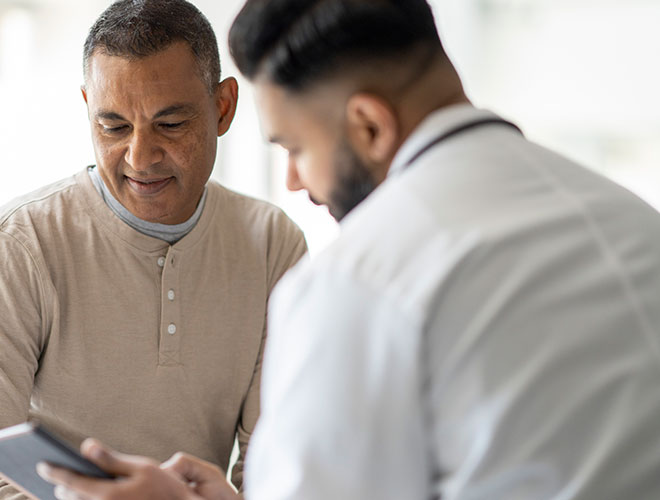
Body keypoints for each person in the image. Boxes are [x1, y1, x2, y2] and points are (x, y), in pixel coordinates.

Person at [36, 0, 660, 498]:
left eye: (295, 149)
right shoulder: (632, 220)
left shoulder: (358, 280)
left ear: (369, 126)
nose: (294, 183)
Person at [0, 0, 307, 497]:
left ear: (223, 108)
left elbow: (275, 468)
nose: (140, 157)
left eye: (170, 125)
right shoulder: (15, 247)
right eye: (114, 127)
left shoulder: (271, 245)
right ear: (87, 107)